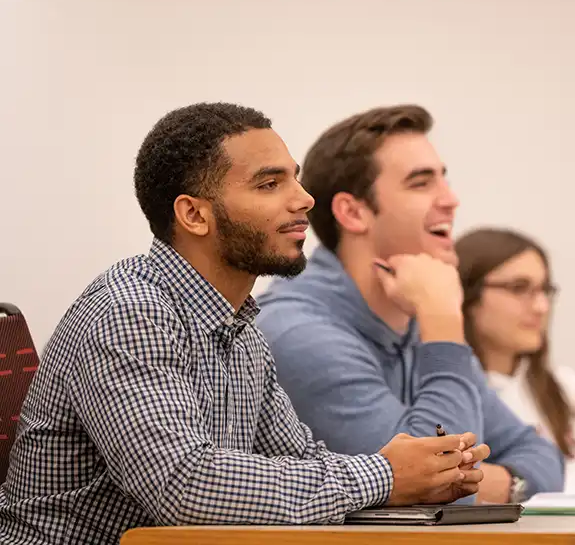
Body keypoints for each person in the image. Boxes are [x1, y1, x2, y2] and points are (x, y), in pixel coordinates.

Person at [0, 103, 489, 545]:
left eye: (295, 179)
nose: (304, 200)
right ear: (194, 214)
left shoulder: (241, 329)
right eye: (269, 184)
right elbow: (184, 487)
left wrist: (416, 470)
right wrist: (383, 476)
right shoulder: (130, 310)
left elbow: (297, 463)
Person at [256, 104, 565, 505]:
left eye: (444, 180)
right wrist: (443, 323)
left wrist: (501, 485)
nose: (451, 200)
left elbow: (543, 458)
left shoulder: (417, 318)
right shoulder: (299, 332)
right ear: (352, 212)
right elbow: (429, 490)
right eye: (421, 183)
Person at [456, 227, 575, 491]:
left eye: (545, 290)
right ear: (466, 294)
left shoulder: (566, 388)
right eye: (519, 288)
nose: (541, 307)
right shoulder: (449, 391)